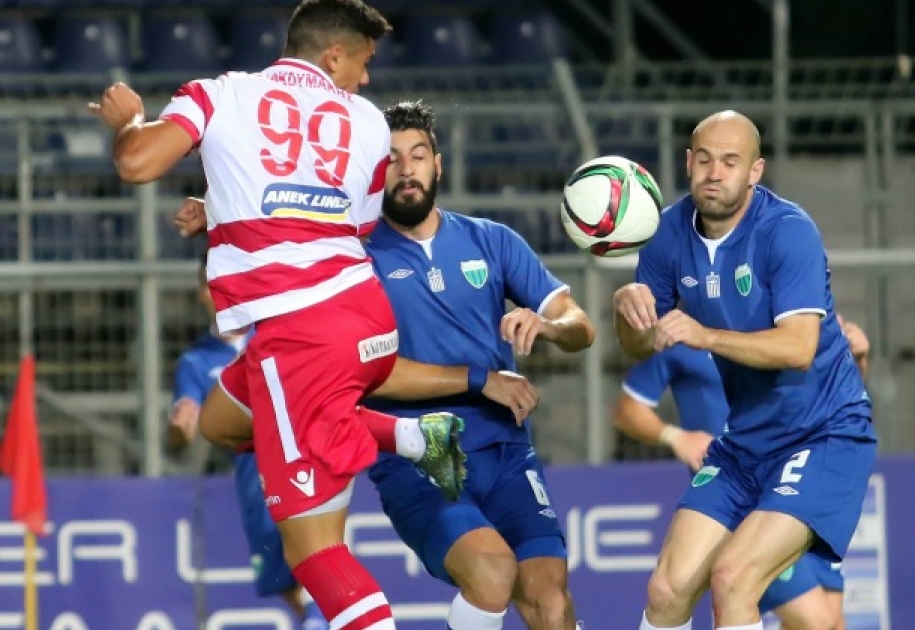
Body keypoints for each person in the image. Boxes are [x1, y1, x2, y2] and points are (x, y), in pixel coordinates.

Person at [89, 2, 465, 627]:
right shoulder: (367, 122)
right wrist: (220, 208)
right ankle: (407, 436)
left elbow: (137, 163)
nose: (367, 77)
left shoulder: (220, 95)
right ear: (333, 57)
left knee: (313, 553)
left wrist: (128, 120)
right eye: (365, 62)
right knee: (220, 423)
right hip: (361, 317)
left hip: (302, 334)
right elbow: (343, 225)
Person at [612, 110, 878, 630]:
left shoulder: (787, 231)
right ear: (687, 163)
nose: (715, 173)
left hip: (824, 436)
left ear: (755, 171)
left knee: (735, 579)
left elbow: (798, 348)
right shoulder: (666, 234)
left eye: (730, 162)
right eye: (705, 159)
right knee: (666, 591)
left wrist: (705, 335)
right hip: (745, 443)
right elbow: (639, 346)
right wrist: (627, 310)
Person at [365, 101, 594, 630]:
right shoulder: (359, 260)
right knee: (492, 573)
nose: (406, 170)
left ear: (438, 165)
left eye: (418, 155)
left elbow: (580, 325)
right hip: (420, 455)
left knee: (551, 602)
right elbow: (368, 373)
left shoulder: (491, 240)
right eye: (392, 159)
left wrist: (548, 327)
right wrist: (480, 380)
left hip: (507, 450)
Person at [612, 316, 872, 630]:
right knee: (812, 618)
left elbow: (834, 397)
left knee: (830, 619)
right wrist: (676, 437)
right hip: (738, 490)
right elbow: (626, 410)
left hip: (796, 478)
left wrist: (857, 358)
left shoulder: (781, 325)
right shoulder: (681, 332)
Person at [168, 252, 327, 630]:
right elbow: (179, 434)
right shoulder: (196, 362)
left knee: (311, 553)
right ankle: (321, 620)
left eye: (225, 280)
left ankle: (325, 618)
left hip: (299, 459)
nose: (220, 291)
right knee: (284, 581)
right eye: (210, 285)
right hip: (252, 477)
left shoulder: (274, 332)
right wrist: (180, 426)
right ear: (201, 294)